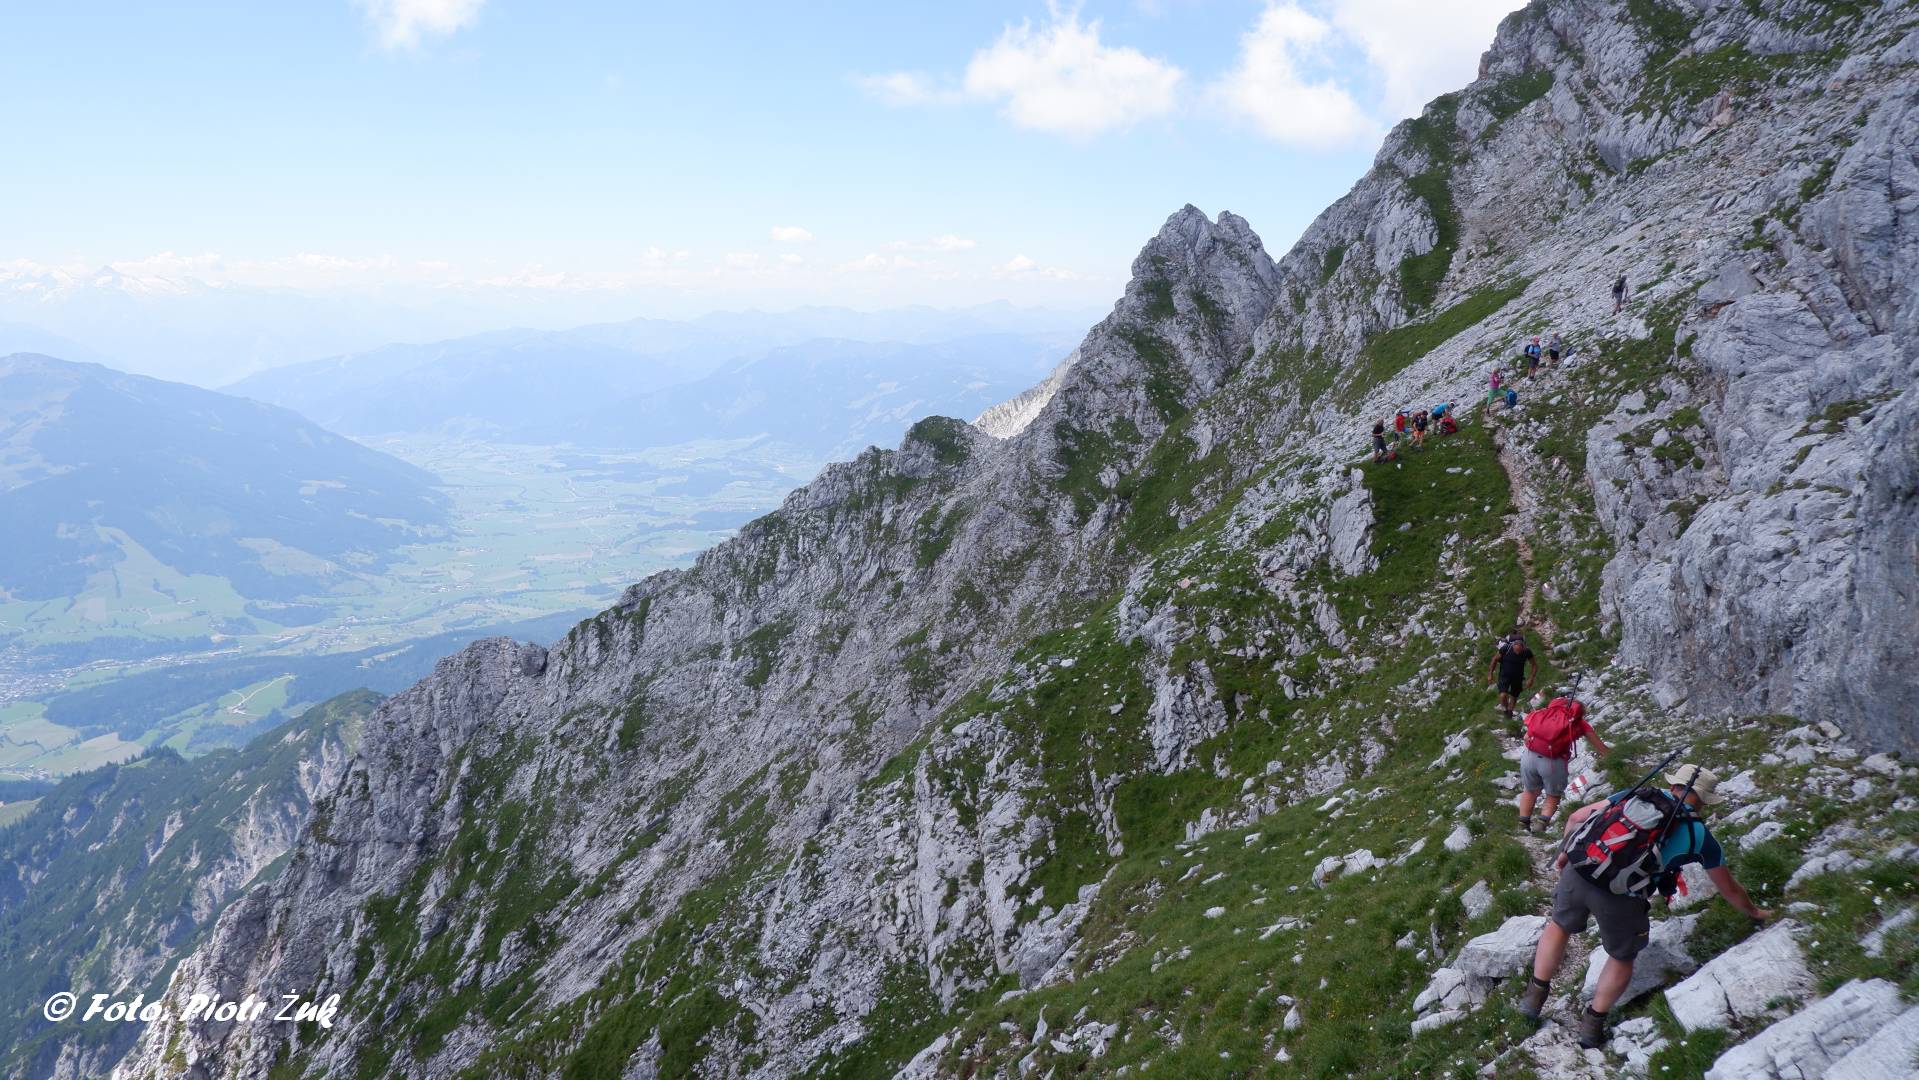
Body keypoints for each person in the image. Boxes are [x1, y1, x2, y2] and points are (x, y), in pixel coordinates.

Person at [1521, 764, 1772, 1049]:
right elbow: (1729, 889)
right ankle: (1591, 1028)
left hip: (1579, 870)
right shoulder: (1699, 836)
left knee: (1559, 926)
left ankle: (1532, 1000)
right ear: (1703, 801)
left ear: (1674, 785)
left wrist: (1565, 854)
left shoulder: (1637, 794)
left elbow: (1578, 817)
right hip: (1622, 897)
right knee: (1622, 956)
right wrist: (1755, 912)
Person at [1518, 693, 1610, 833]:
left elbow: (1526, 737)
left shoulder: (1542, 714)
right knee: (1553, 795)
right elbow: (1602, 749)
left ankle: (1523, 826)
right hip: (1553, 762)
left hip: (1529, 757)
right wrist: (1614, 757)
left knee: (1530, 791)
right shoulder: (1578, 723)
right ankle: (1540, 825)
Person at [1486, 629, 1536, 719]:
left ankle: (1509, 713)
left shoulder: (1527, 652)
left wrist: (1531, 678)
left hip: (1518, 676)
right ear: (1513, 646)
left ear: (1523, 647)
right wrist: (1490, 674)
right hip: (1504, 675)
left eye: (1520, 651)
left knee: (1514, 695)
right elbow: (1494, 659)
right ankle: (1505, 709)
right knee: (1503, 695)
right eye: (1516, 650)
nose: (1518, 652)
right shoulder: (1506, 649)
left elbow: (1534, 665)